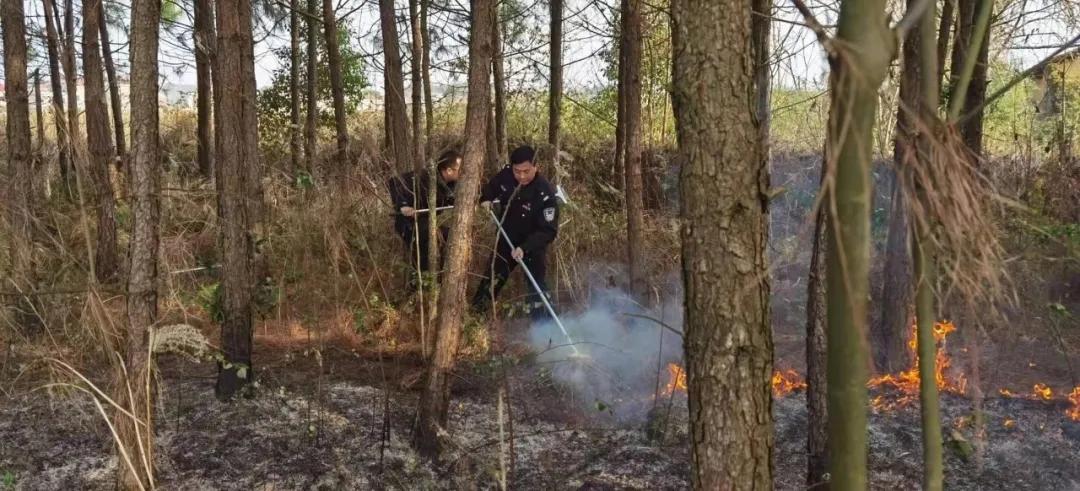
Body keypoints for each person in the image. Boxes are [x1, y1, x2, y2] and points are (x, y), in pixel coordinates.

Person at [471, 145, 560, 320]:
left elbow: (548, 231)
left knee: (537, 287)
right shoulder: (506, 176)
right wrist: (486, 199)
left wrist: (525, 248)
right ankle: (474, 320)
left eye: (526, 171)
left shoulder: (545, 193)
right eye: (517, 171)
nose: (521, 176)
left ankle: (544, 327)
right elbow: (490, 188)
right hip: (506, 239)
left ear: (536, 167)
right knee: (492, 279)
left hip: (532, 245)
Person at [387, 150, 461, 287]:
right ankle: (419, 290)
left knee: (452, 235)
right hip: (408, 223)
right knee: (425, 250)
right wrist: (403, 206)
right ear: (449, 170)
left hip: (427, 222)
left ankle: (443, 280)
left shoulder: (452, 185)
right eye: (459, 170)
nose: (462, 173)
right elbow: (394, 182)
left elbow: (452, 200)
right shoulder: (425, 176)